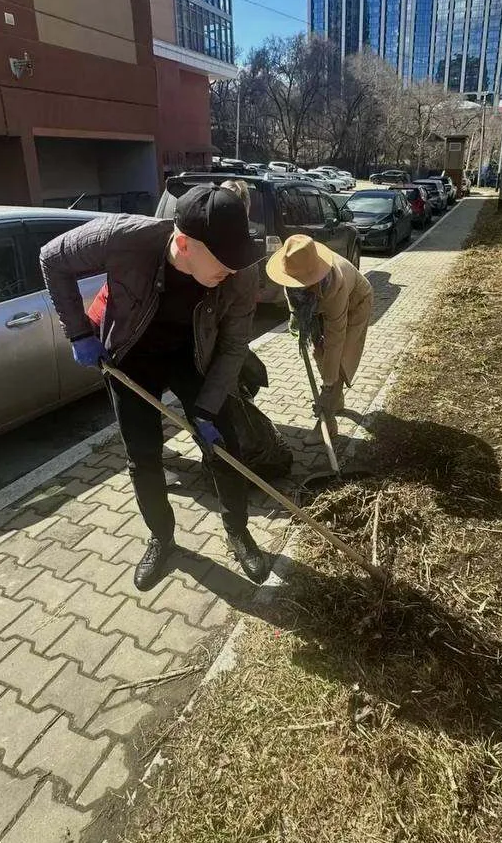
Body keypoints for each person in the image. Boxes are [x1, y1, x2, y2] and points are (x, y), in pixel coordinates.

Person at [40, 184, 269, 592]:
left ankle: (238, 531)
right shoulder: (123, 238)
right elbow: (52, 258)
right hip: (133, 357)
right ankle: (161, 538)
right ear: (184, 244)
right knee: (143, 455)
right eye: (223, 261)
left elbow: (234, 345)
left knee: (224, 448)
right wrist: (78, 333)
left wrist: (206, 409)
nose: (233, 270)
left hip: (194, 355)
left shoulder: (239, 270)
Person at [265, 234, 373, 437]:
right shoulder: (293, 272)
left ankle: (328, 420)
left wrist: (327, 387)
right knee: (318, 353)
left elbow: (335, 340)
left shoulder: (334, 285)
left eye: (300, 282)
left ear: (313, 277)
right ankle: (336, 401)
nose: (294, 285)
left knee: (339, 359)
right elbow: (295, 309)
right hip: (320, 307)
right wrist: (300, 327)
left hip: (356, 302)